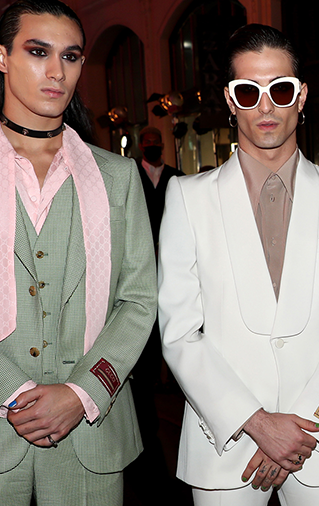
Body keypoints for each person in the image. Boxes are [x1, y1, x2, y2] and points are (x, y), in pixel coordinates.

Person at [0, 1, 157, 504]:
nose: (57, 71)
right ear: (1, 56)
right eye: (38, 52)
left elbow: (139, 300)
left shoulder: (118, 176)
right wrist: (9, 392)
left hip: (91, 431)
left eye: (70, 56)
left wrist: (82, 393)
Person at [157, 24, 319, 505]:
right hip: (225, 444)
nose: (265, 107)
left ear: (301, 97)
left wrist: (302, 429)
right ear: (230, 100)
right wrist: (256, 423)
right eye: (248, 91)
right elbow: (178, 332)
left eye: (279, 90)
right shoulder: (187, 198)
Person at [125, 125, 187, 502]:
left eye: (156, 143)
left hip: (172, 261)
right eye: (147, 143)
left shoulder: (176, 177)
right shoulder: (130, 174)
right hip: (142, 262)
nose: (152, 147)